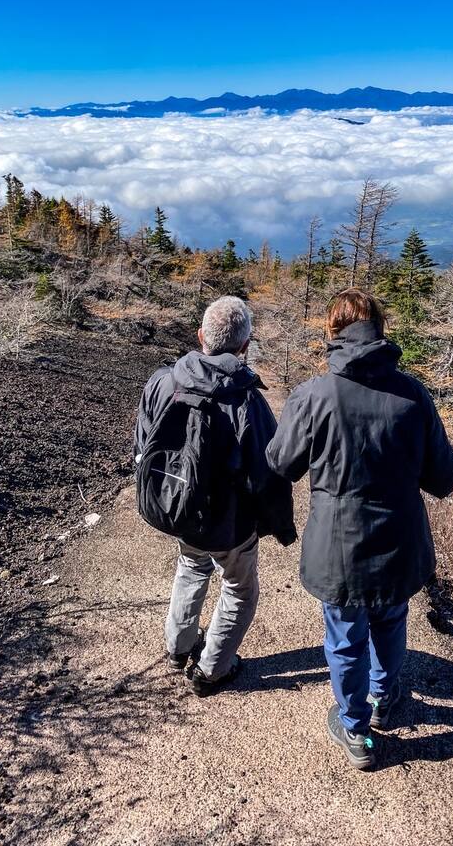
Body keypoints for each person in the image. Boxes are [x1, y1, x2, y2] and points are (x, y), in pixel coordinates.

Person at [266, 288, 453, 769]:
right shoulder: (413, 395)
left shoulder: (314, 395)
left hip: (338, 547)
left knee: (344, 635)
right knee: (391, 621)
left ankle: (355, 729)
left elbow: (282, 463)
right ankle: (382, 699)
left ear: (332, 332)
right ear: (380, 329)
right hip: (399, 541)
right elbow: (443, 479)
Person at [135, 295, 295, 697]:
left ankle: (178, 648)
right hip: (230, 523)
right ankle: (212, 670)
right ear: (245, 345)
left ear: (201, 336)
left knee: (191, 566)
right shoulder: (247, 399)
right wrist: (279, 523)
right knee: (240, 589)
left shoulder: (162, 381)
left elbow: (143, 443)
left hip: (179, 509)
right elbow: (268, 470)